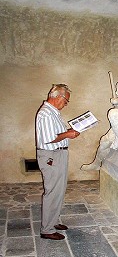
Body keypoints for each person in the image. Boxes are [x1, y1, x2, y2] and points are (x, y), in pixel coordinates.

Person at [36, 84, 80, 240]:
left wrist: (68, 133)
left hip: (58, 155)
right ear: (57, 96)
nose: (66, 104)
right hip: (52, 156)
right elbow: (49, 139)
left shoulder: (53, 112)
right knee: (52, 191)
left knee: (59, 190)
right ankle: (46, 230)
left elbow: (54, 134)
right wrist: (68, 134)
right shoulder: (47, 113)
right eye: (66, 101)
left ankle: (53, 221)